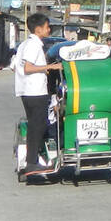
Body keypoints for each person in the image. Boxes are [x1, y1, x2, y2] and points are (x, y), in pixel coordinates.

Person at [16, 13, 63, 177]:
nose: (49, 30)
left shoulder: (25, 44)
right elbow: (27, 68)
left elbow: (16, 66)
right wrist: (50, 67)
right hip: (34, 91)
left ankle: (35, 159)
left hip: (28, 91)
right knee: (38, 126)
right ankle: (31, 163)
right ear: (38, 29)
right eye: (47, 27)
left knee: (37, 125)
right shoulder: (33, 45)